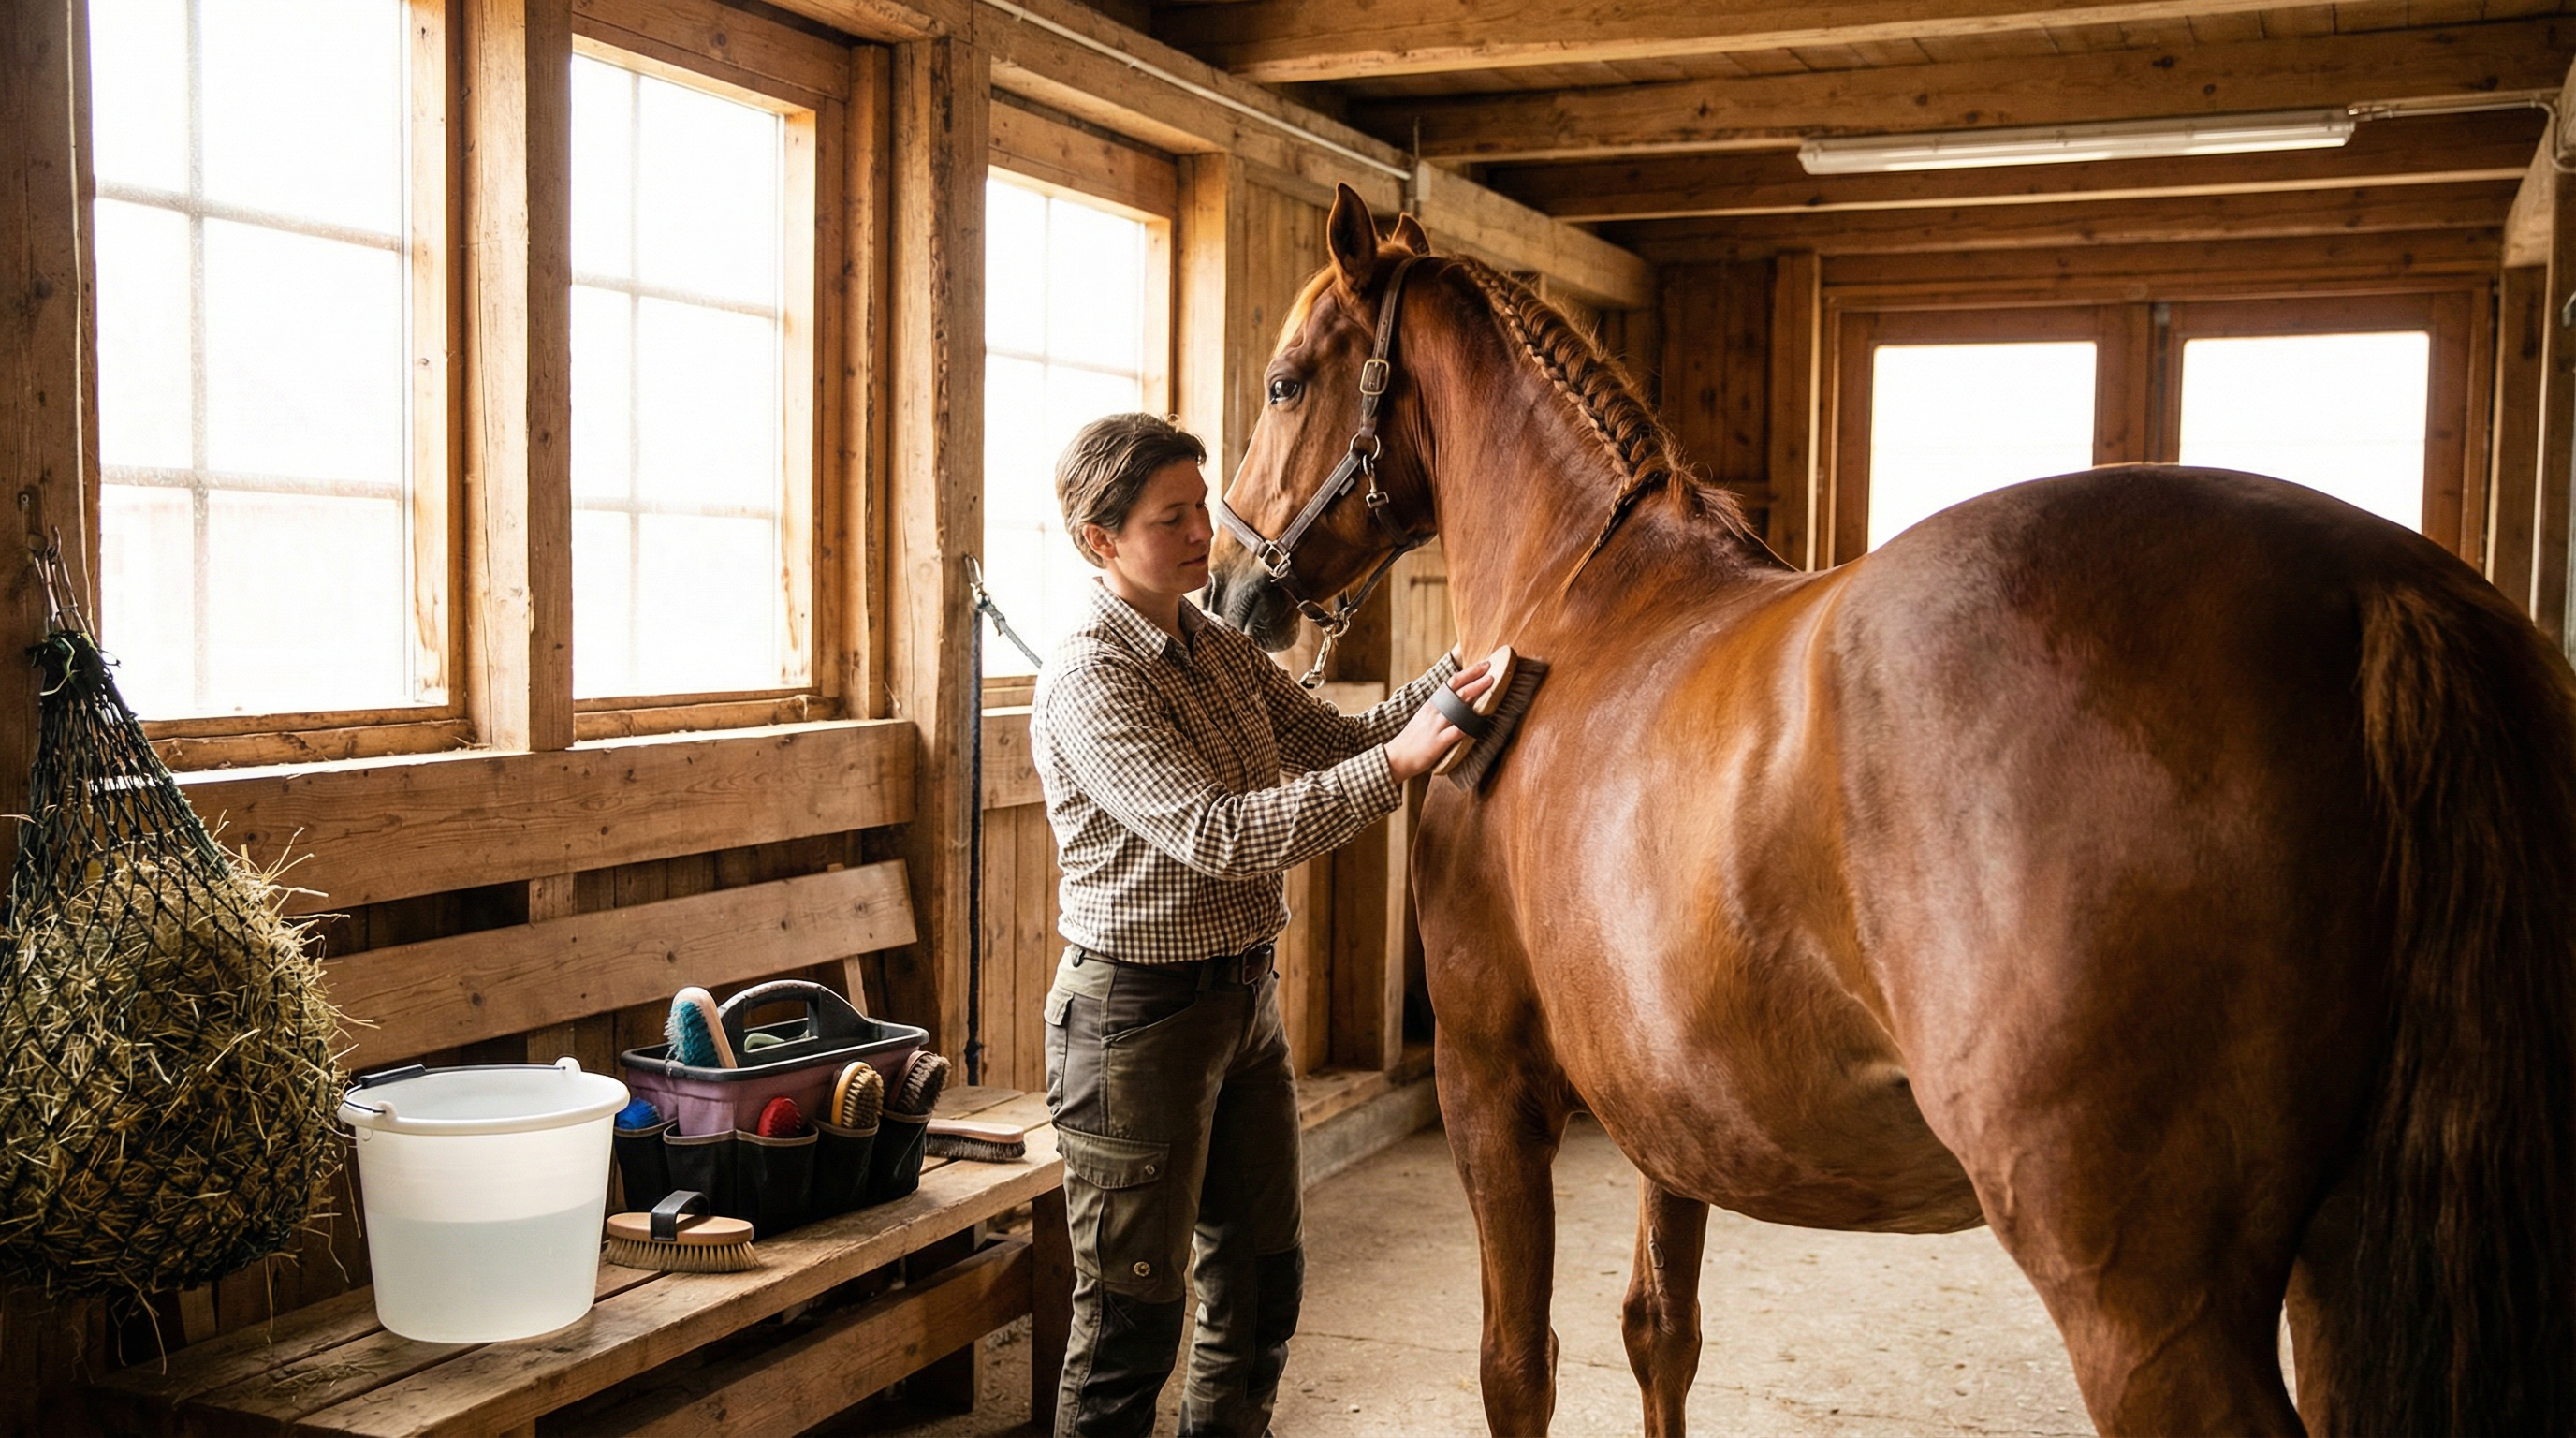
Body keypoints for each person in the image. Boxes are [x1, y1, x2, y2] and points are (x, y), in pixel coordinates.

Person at [1029, 412, 1491, 1437]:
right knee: (1127, 1330)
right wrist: (1403, 764)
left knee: (1260, 1288)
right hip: (1134, 1023)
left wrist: (1464, 669)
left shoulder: (1217, 646)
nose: (1206, 534)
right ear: (1100, 540)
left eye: (1202, 508)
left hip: (1242, 1003)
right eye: (1172, 518)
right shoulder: (1090, 678)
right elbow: (1218, 833)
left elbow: (1342, 739)